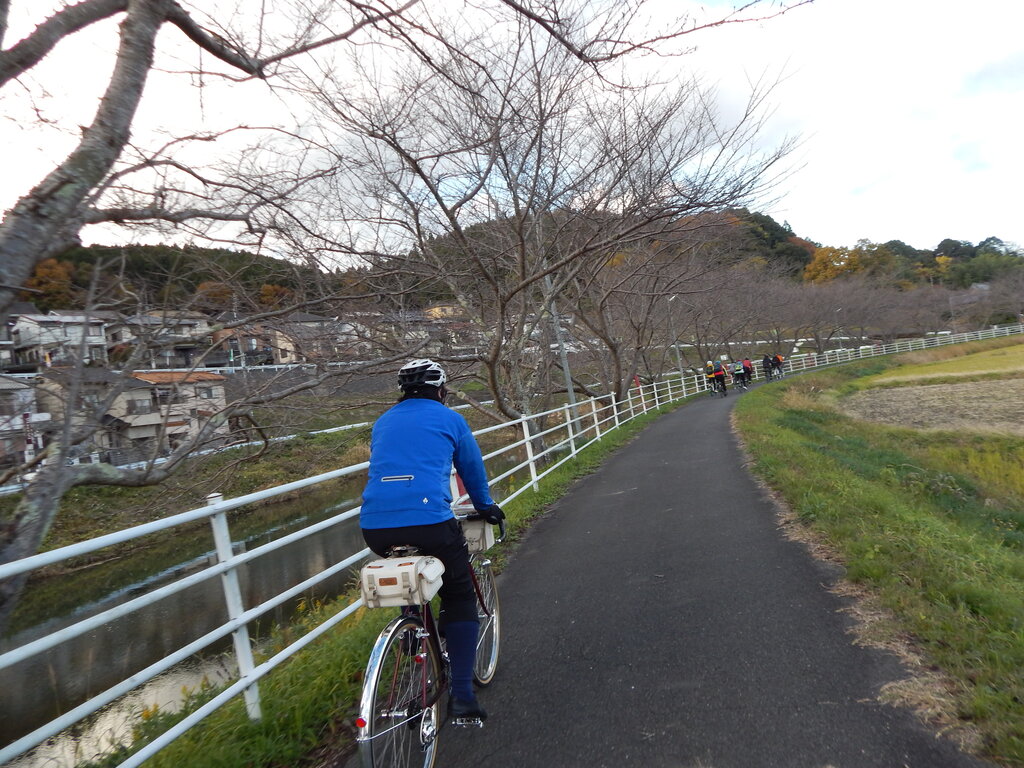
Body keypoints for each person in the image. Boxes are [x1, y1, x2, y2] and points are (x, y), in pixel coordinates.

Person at [360, 358, 505, 721]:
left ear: (403, 391)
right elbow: (471, 468)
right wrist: (485, 506)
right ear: (441, 390)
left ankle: (412, 624)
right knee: (458, 596)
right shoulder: (450, 419)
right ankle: (462, 696)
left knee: (407, 569)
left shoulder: (383, 422)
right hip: (430, 522)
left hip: (374, 526)